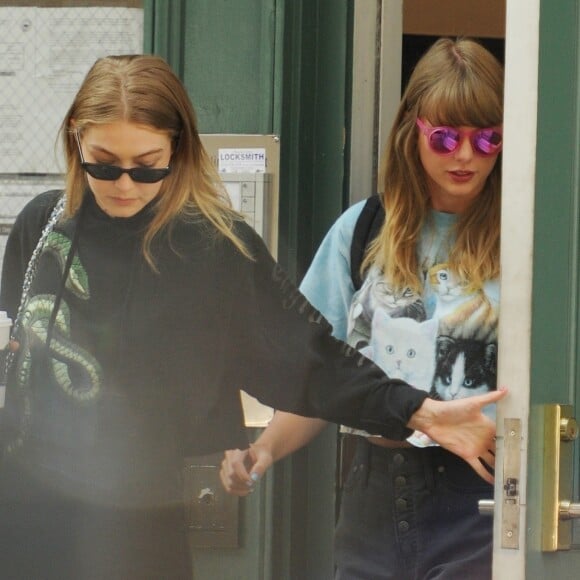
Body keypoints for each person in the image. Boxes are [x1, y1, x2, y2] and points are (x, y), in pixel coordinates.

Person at [221, 37, 504, 579]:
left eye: (486, 139)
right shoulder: (363, 231)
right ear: (411, 133)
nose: (465, 156)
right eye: (444, 137)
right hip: (374, 490)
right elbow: (319, 371)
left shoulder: (527, 240)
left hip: (483, 492)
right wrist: (264, 451)